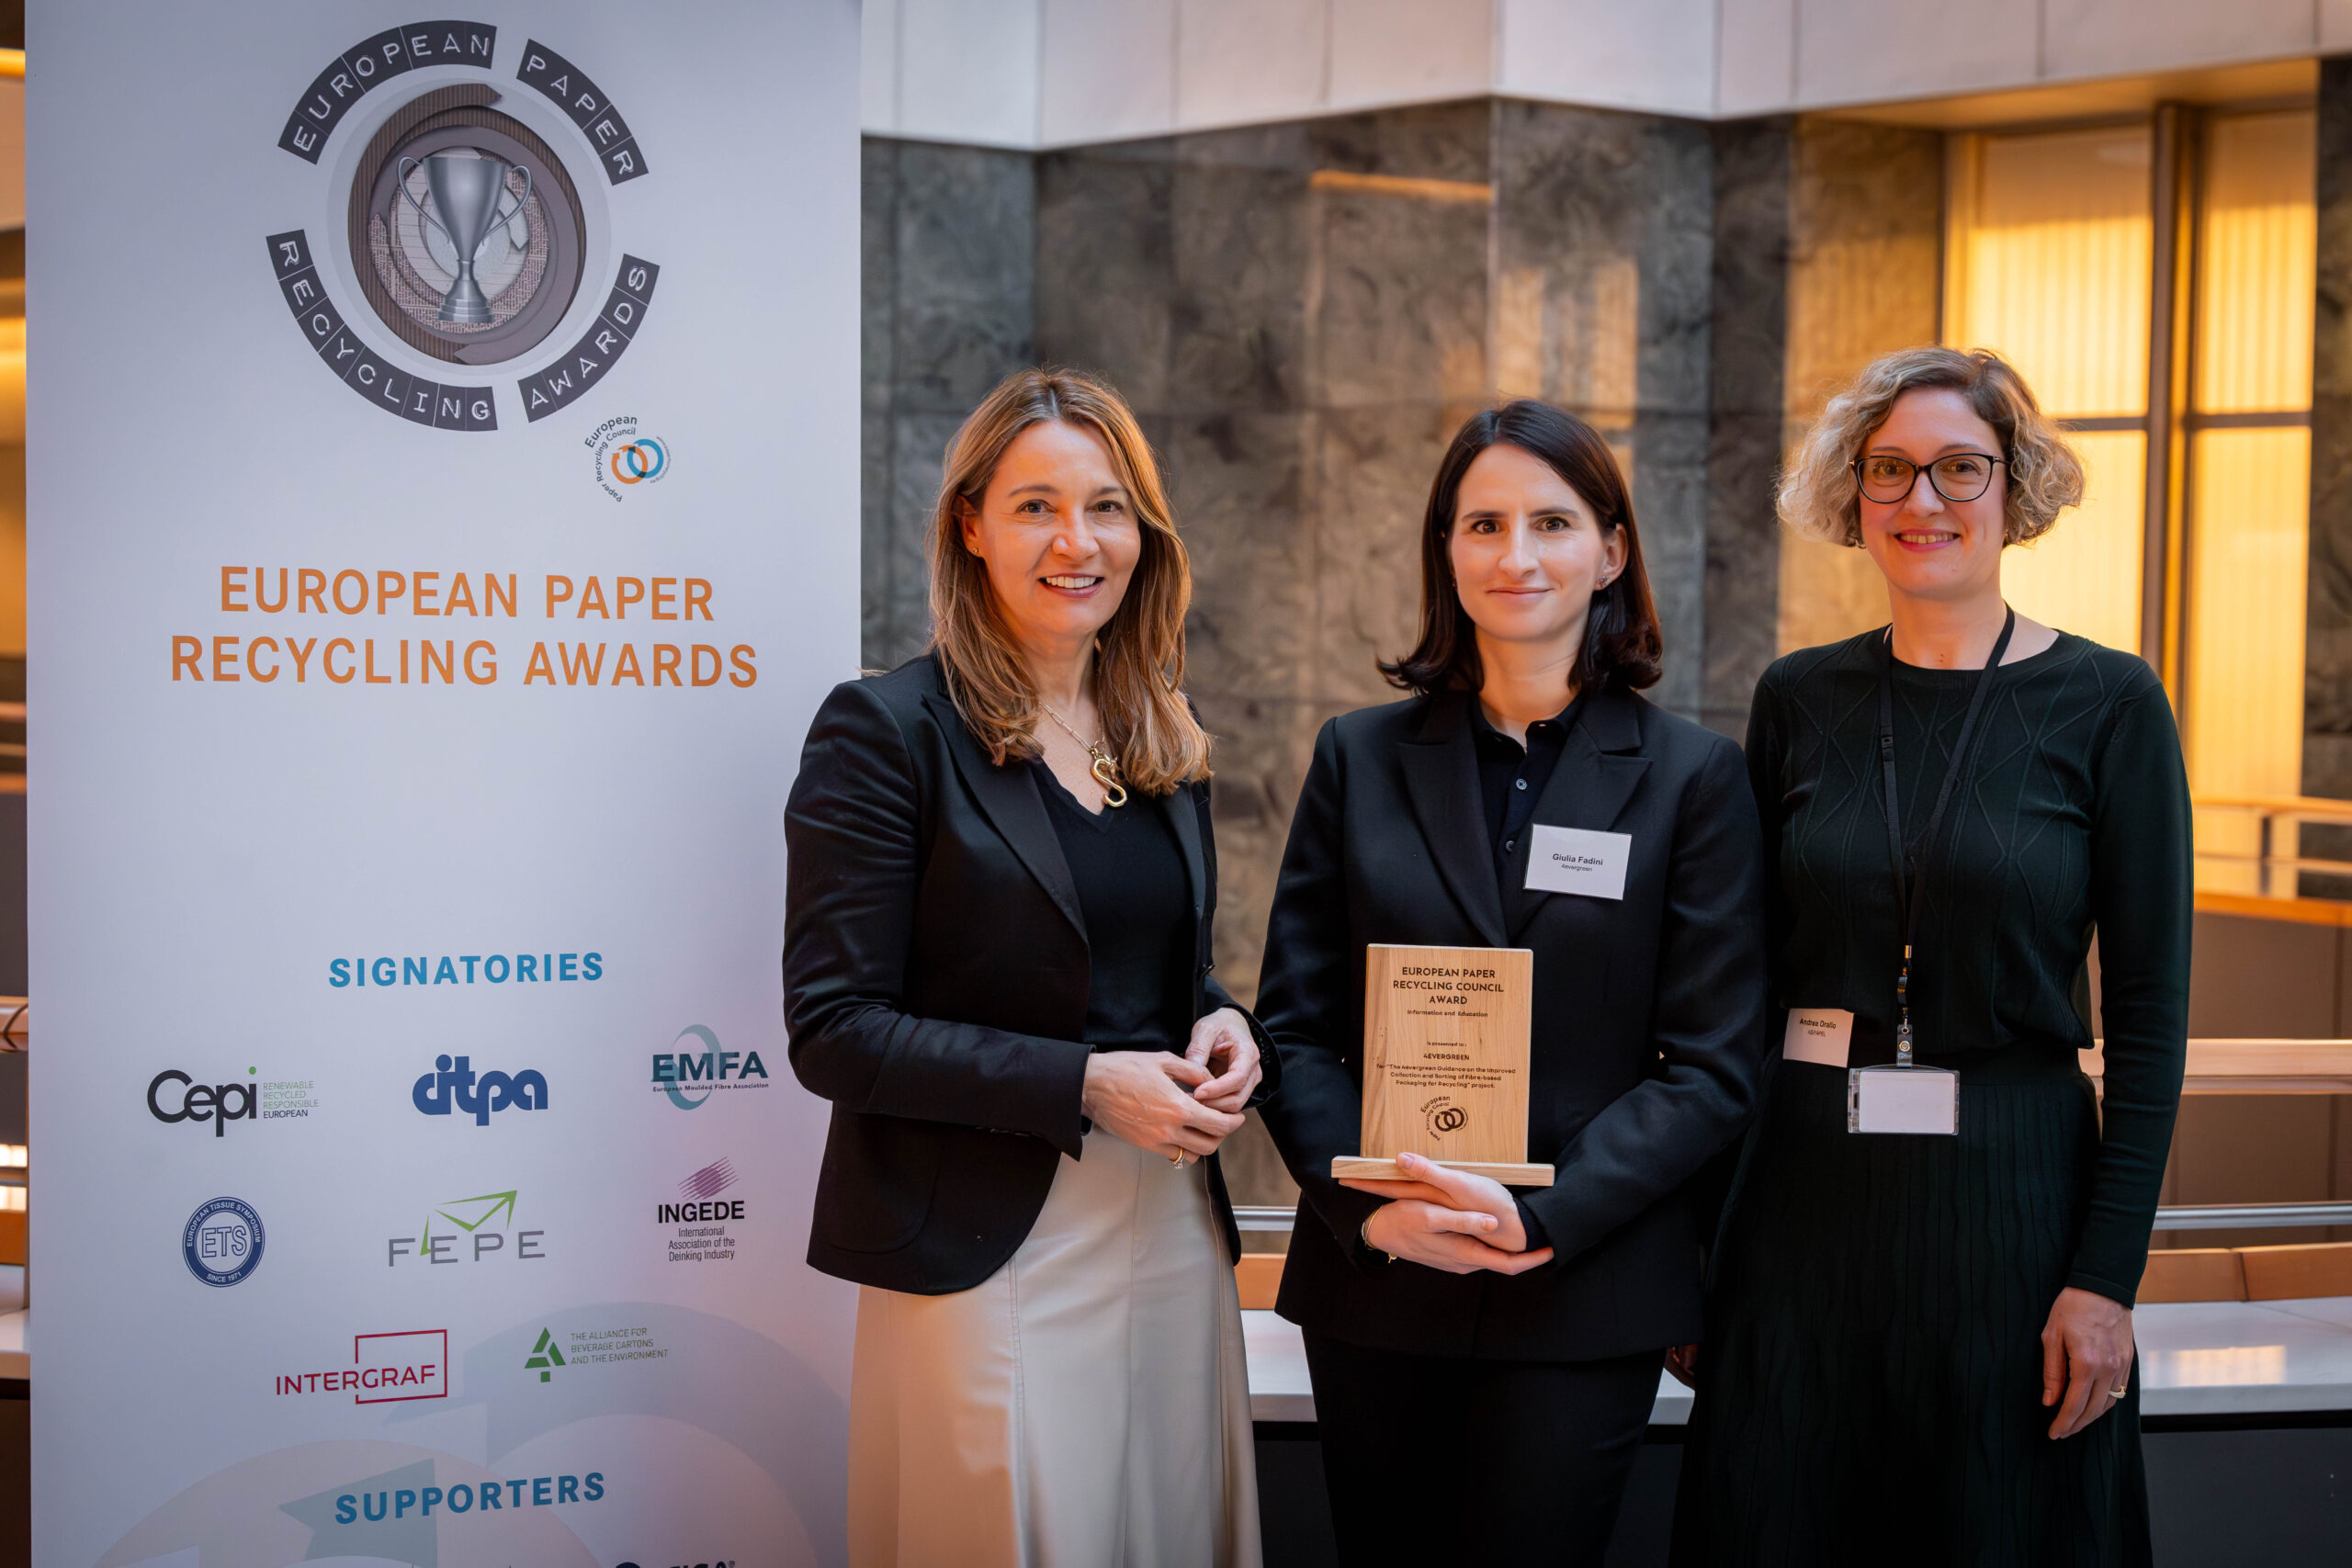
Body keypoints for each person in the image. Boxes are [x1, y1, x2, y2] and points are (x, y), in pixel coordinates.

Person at [1672, 346, 2190, 1565]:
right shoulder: (1798, 696)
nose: (1923, 500)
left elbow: (2150, 1020)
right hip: (1803, 1202)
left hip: (2017, 1204)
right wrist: (1701, 1245)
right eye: (1890, 469)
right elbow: (1744, 991)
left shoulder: (2110, 703)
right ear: (1853, 495)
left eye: (1961, 467)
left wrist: (2106, 1279)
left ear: (2015, 489)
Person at [1253, 399, 1772, 1563]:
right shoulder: (1356, 757)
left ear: (1611, 551)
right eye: (1483, 524)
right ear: (1445, 549)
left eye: (1552, 522)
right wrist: (1372, 1210)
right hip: (1380, 1281)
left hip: (1581, 1286)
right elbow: (1294, 1027)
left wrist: (1542, 1215)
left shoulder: (1693, 778)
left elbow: (1711, 1068)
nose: (1515, 554)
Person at [784, 367, 1275, 1568]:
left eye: (1106, 507)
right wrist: (1086, 1084)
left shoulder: (1159, 725)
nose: (1077, 541)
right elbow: (835, 1028)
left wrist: (1224, 1023)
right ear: (971, 526)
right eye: (1036, 507)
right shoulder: (886, 730)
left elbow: (1142, 970)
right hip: (984, 1246)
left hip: (1170, 1232)